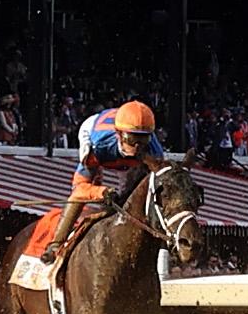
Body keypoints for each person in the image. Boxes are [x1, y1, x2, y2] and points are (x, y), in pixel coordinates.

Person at [42, 99, 168, 258]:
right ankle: (55, 245)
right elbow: (79, 187)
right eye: (132, 139)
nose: (137, 147)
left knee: (130, 196)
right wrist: (101, 192)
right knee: (82, 194)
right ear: (119, 134)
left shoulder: (155, 152)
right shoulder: (98, 146)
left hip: (122, 149)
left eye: (143, 140)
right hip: (92, 130)